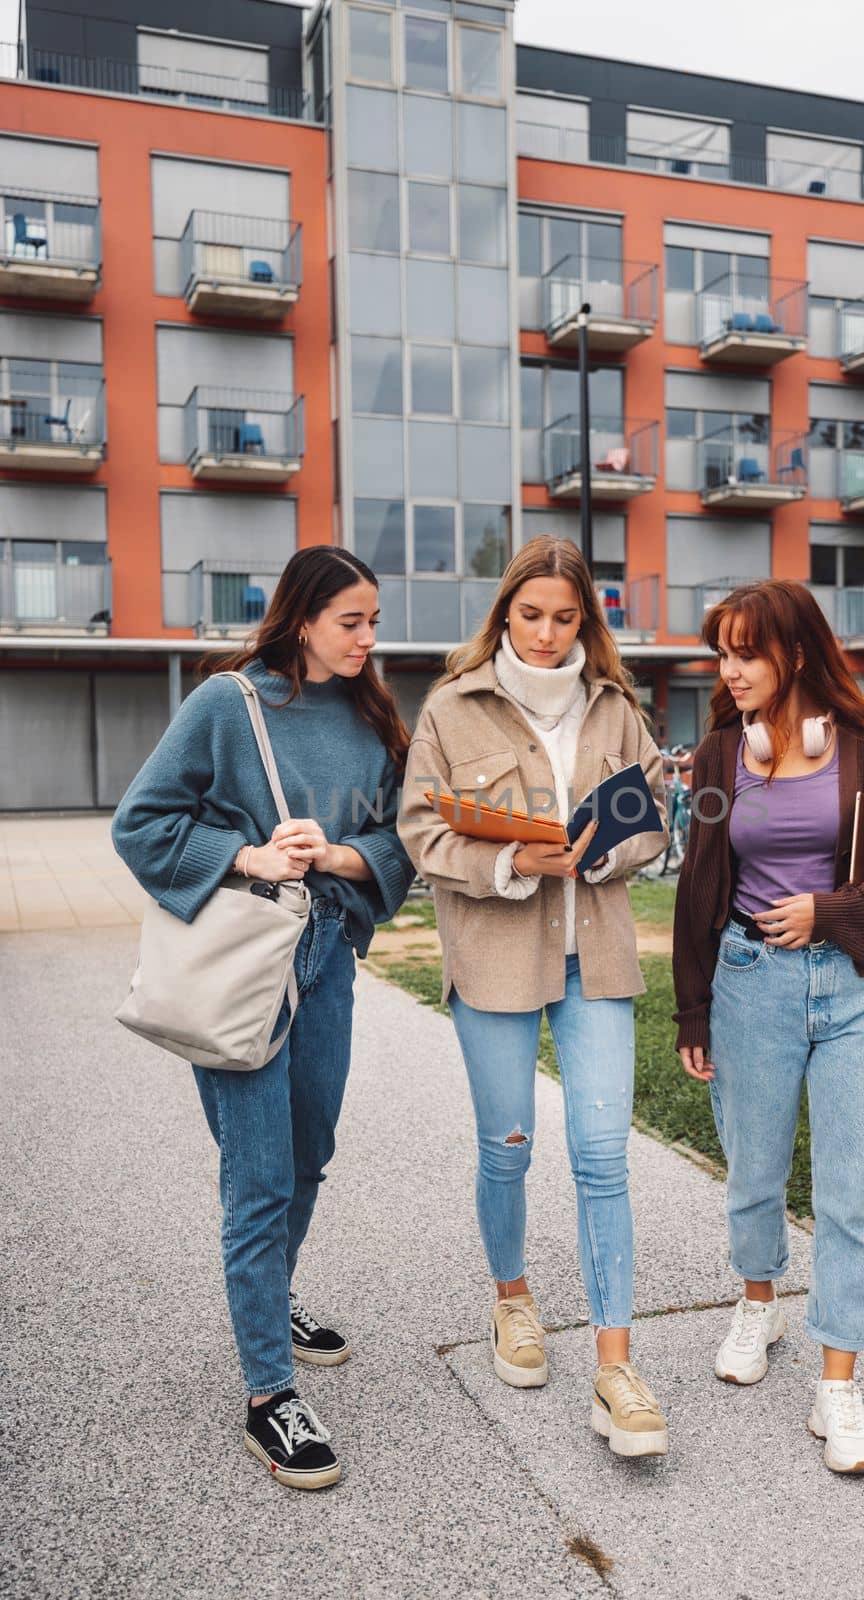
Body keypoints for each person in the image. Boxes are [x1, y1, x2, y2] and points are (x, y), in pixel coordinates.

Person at [111, 547, 414, 1490]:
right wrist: (250, 857)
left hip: (328, 966)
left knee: (311, 1149)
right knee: (258, 1178)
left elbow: (397, 836)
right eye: (351, 621)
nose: (369, 638)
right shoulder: (226, 705)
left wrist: (338, 856)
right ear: (302, 618)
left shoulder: (372, 718)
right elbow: (142, 822)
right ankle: (267, 1396)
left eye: (372, 620)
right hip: (247, 965)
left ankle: (269, 1297)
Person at [398, 536, 671, 1458]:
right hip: (496, 959)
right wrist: (512, 860)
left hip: (594, 960)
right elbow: (420, 834)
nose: (548, 635)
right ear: (503, 614)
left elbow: (654, 822)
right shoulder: (451, 709)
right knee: (507, 1146)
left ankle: (615, 1366)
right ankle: (512, 1301)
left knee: (602, 1157)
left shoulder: (614, 710)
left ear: (585, 619)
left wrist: (602, 850)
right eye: (531, 615)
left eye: (565, 617)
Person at [672, 579, 864, 1475]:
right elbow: (699, 878)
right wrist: (693, 1004)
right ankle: (756, 1301)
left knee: (851, 1195)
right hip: (750, 986)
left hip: (857, 991)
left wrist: (831, 911)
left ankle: (838, 1386)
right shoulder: (717, 759)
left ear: (796, 653)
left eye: (746, 652)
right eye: (722, 653)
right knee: (752, 1173)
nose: (729, 669)